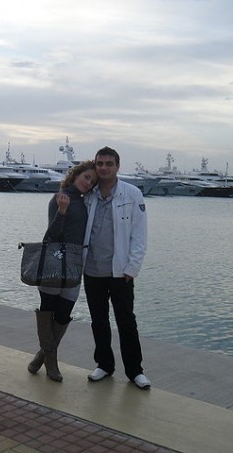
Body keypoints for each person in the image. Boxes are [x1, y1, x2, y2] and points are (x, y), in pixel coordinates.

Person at [82, 146, 151, 389]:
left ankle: (135, 371)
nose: (104, 168)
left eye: (109, 164)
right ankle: (104, 365)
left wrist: (132, 268)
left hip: (121, 272)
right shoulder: (88, 194)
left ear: (117, 166)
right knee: (98, 320)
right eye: (100, 163)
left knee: (126, 321)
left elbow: (139, 235)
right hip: (92, 270)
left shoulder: (132, 194)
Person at [27, 161, 97, 382]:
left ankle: (42, 355)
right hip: (54, 261)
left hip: (75, 263)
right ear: (75, 175)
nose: (89, 183)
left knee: (64, 313)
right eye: (86, 177)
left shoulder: (87, 202)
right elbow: (52, 235)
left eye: (93, 181)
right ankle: (52, 363)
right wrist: (63, 211)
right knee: (48, 311)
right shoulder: (59, 198)